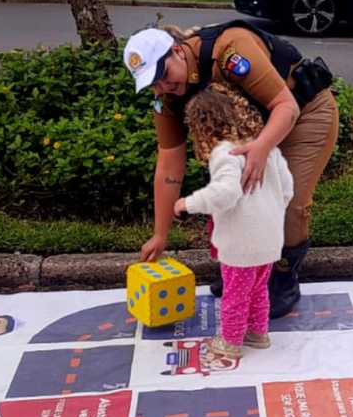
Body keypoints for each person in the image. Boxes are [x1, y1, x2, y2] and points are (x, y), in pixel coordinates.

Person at [123, 20, 338, 319]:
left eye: (164, 75)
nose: (162, 88)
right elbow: (169, 165)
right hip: (258, 124)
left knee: (289, 203)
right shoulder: (167, 97)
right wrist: (160, 235)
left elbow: (285, 106)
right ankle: (247, 268)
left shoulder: (230, 49)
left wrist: (261, 149)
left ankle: (283, 277)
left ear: (176, 51)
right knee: (238, 197)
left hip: (304, 113)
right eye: (152, 83)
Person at [174, 85, 294, 359]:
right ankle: (258, 333)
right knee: (258, 289)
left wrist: (187, 203)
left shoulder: (225, 154)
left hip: (241, 243)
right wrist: (271, 211)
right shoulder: (268, 150)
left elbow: (226, 194)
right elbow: (287, 188)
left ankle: (230, 341)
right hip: (270, 239)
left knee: (235, 294)